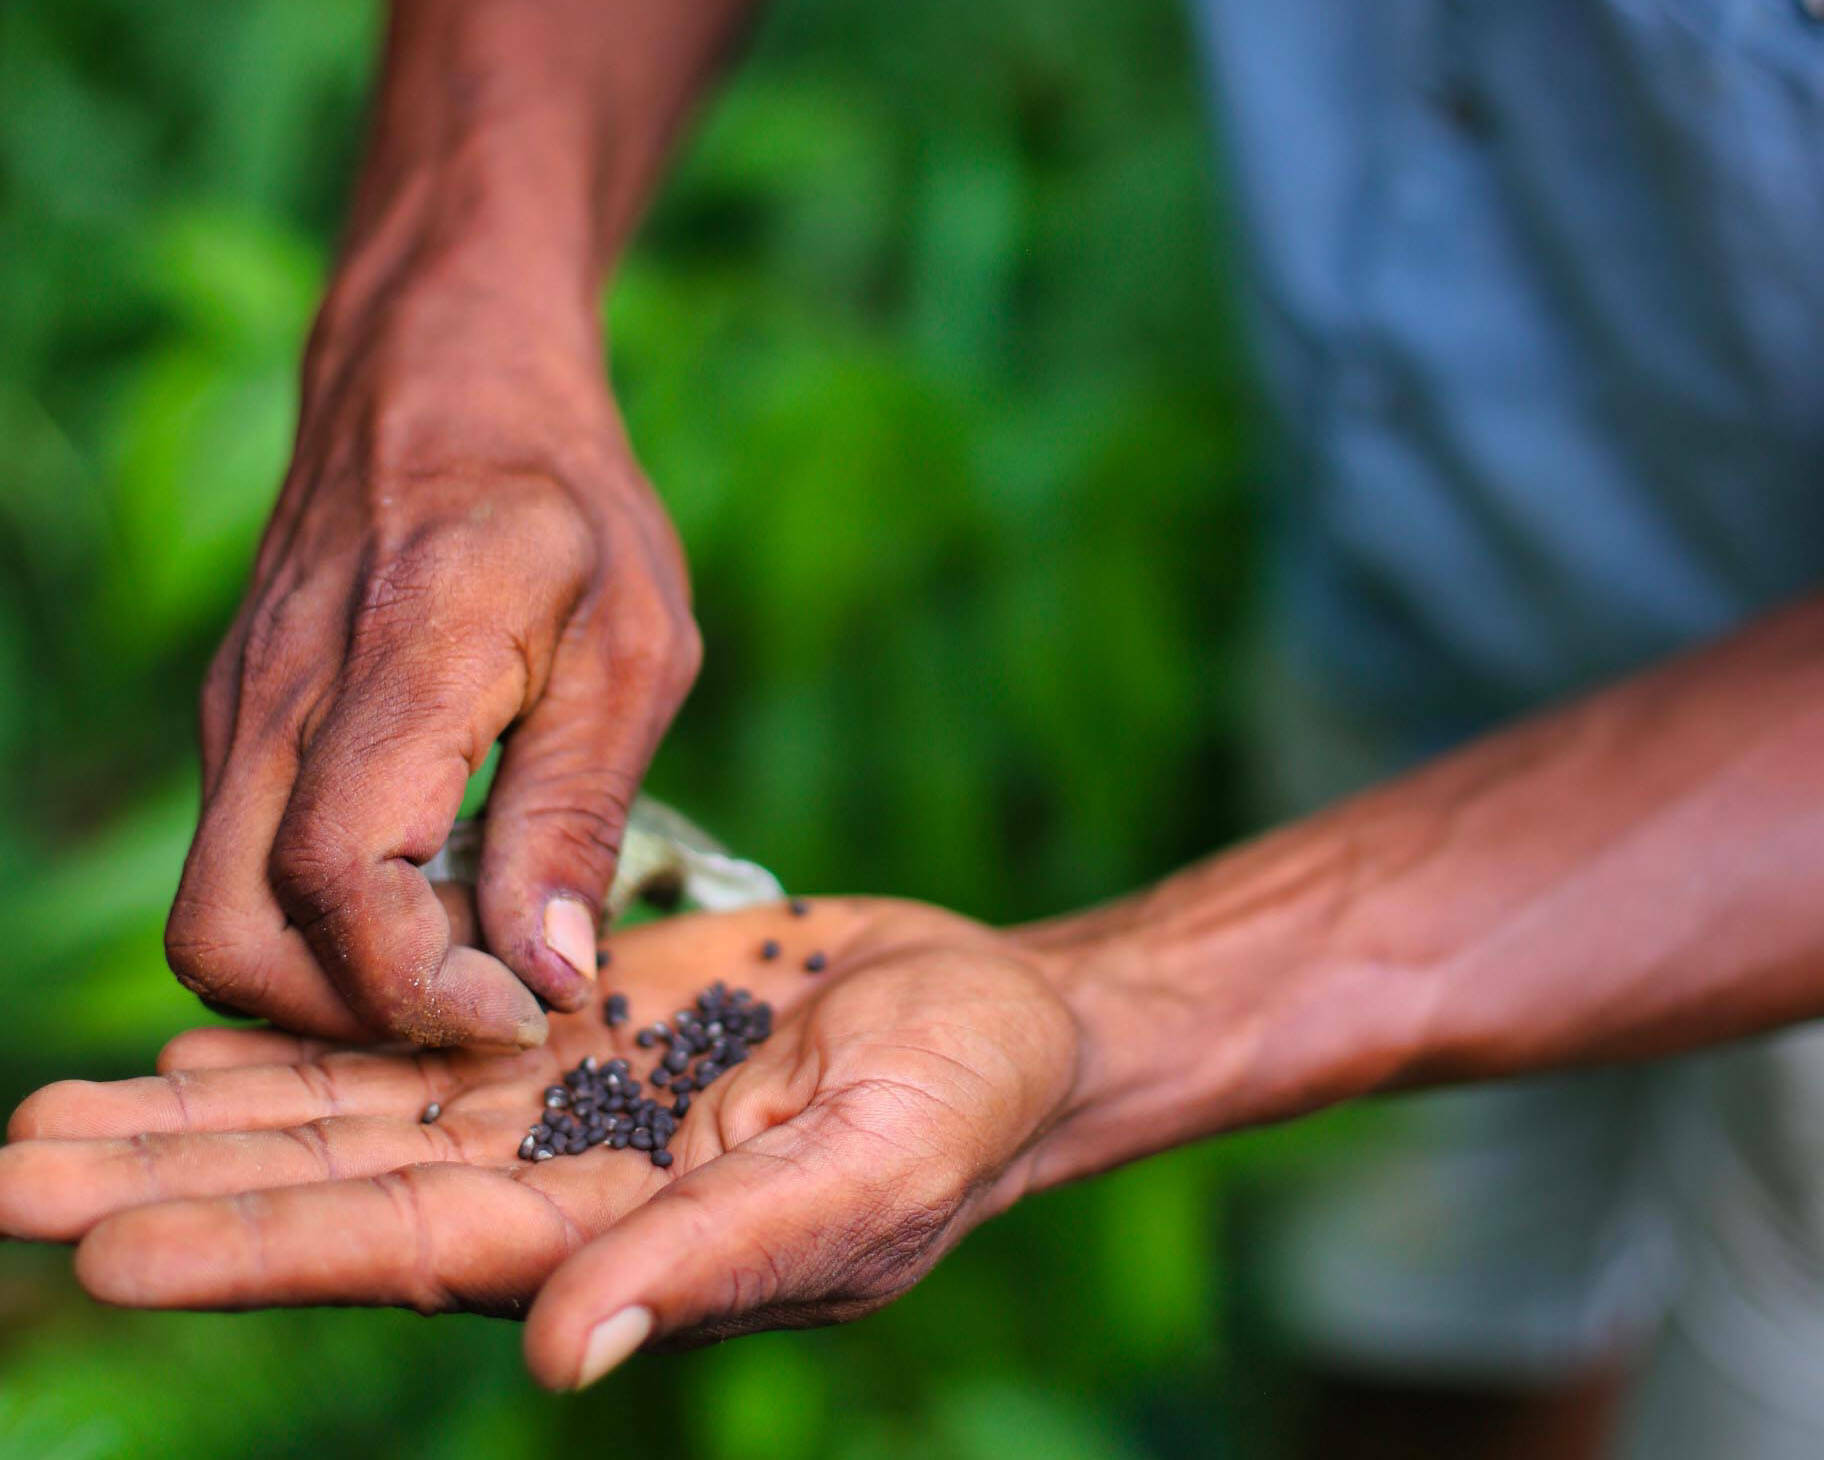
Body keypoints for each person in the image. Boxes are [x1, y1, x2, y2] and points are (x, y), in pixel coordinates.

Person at [0, 0, 1818, 1449]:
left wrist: (1117, 1011)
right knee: (1416, 1280)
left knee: (1752, 1328)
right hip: (1417, 546)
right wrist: (455, 304)